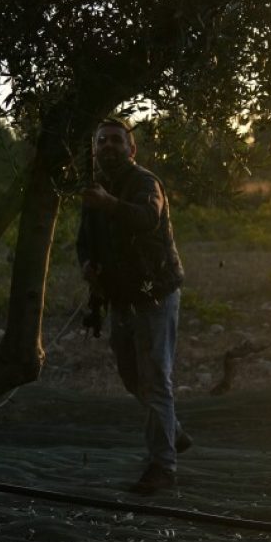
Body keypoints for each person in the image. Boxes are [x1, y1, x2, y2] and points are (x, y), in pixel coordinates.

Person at [77, 118, 189, 495]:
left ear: (131, 148)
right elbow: (84, 241)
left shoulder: (145, 183)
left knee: (156, 378)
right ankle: (171, 430)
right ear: (94, 150)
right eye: (102, 141)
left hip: (155, 294)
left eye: (116, 141)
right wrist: (86, 265)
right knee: (130, 375)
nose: (108, 147)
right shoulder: (94, 191)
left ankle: (163, 466)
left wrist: (108, 204)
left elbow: (147, 219)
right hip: (121, 297)